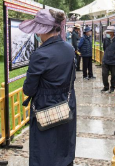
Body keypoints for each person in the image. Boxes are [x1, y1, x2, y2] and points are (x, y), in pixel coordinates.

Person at [19, 9, 76, 166]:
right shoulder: (69, 49)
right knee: (64, 148)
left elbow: (29, 89)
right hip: (66, 104)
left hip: (45, 108)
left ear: (42, 30)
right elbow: (72, 78)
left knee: (45, 152)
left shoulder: (40, 54)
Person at [101, 26, 115, 92]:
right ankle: (106, 86)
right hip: (106, 60)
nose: (107, 33)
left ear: (113, 33)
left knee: (114, 75)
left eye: (109, 32)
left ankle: (113, 87)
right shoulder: (106, 39)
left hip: (114, 61)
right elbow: (104, 48)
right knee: (104, 74)